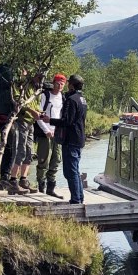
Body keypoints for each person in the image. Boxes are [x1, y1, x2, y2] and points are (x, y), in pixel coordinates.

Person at [42, 74, 87, 205]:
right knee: (75, 169)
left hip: (71, 139)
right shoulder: (82, 99)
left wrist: (49, 120)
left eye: (68, 83)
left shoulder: (71, 100)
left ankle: (76, 200)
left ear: (71, 85)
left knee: (70, 171)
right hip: (79, 138)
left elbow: (67, 121)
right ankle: (79, 197)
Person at [35, 73, 65, 197]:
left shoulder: (63, 98)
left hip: (57, 132)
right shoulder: (45, 96)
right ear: (53, 83)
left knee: (56, 159)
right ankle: (41, 188)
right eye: (58, 83)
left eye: (62, 84)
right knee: (43, 160)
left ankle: (51, 189)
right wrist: (46, 130)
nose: (60, 86)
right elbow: (38, 115)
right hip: (45, 132)